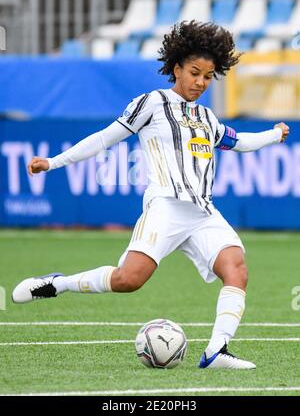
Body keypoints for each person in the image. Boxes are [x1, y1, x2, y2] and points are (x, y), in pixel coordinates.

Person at [12, 21, 289, 369]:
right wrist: (53, 162)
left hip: (203, 212)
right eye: (194, 73)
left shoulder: (207, 116)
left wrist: (274, 135)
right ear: (176, 68)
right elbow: (102, 139)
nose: (200, 82)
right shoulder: (152, 103)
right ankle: (58, 283)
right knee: (129, 280)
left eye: (207, 76)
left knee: (236, 270)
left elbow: (239, 142)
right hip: (165, 208)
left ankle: (217, 351)